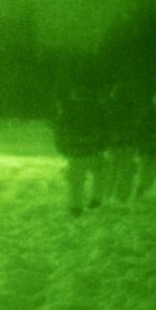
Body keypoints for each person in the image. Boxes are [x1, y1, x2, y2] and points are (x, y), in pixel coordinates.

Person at [53, 85, 108, 216]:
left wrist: (61, 148)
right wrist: (102, 145)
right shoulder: (97, 109)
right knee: (100, 174)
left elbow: (59, 130)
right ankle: (96, 199)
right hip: (93, 150)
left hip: (74, 151)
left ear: (74, 95)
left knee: (76, 181)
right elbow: (104, 129)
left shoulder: (67, 108)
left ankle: (75, 206)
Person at [103, 82, 139, 201]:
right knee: (125, 173)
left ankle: (107, 195)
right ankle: (122, 197)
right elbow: (135, 125)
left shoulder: (107, 104)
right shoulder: (131, 105)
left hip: (111, 144)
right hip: (127, 144)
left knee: (110, 171)